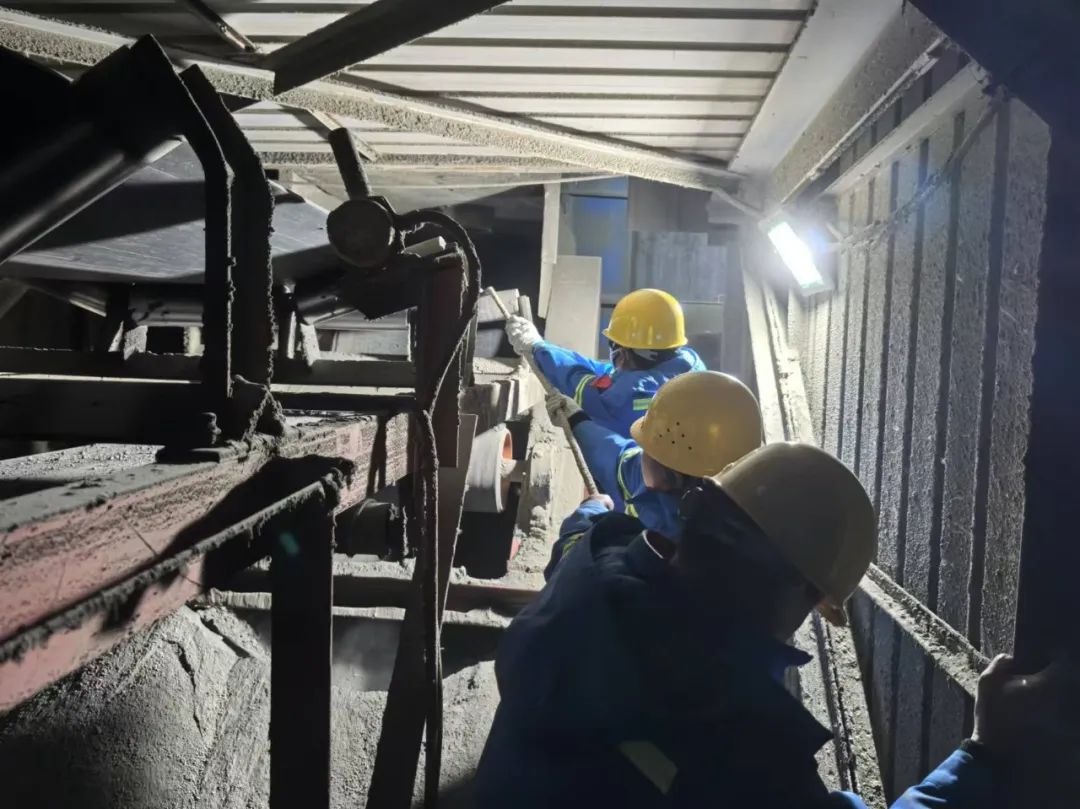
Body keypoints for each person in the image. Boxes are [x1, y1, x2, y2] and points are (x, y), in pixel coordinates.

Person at [473, 442, 1079, 808]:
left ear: (696, 512)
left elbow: (586, 534)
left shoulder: (582, 582)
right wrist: (984, 752)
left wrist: (588, 511)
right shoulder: (737, 747)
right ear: (797, 591)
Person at [545, 370, 762, 547]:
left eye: (647, 449)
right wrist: (577, 420)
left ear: (669, 475)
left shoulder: (671, 557)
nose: (641, 455)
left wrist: (585, 519)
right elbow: (618, 458)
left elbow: (573, 573)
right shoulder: (740, 520)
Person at [505, 288, 705, 437]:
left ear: (623, 352)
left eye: (613, 344)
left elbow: (583, 386)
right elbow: (607, 373)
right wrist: (542, 347)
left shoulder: (631, 398)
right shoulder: (687, 365)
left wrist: (535, 347)